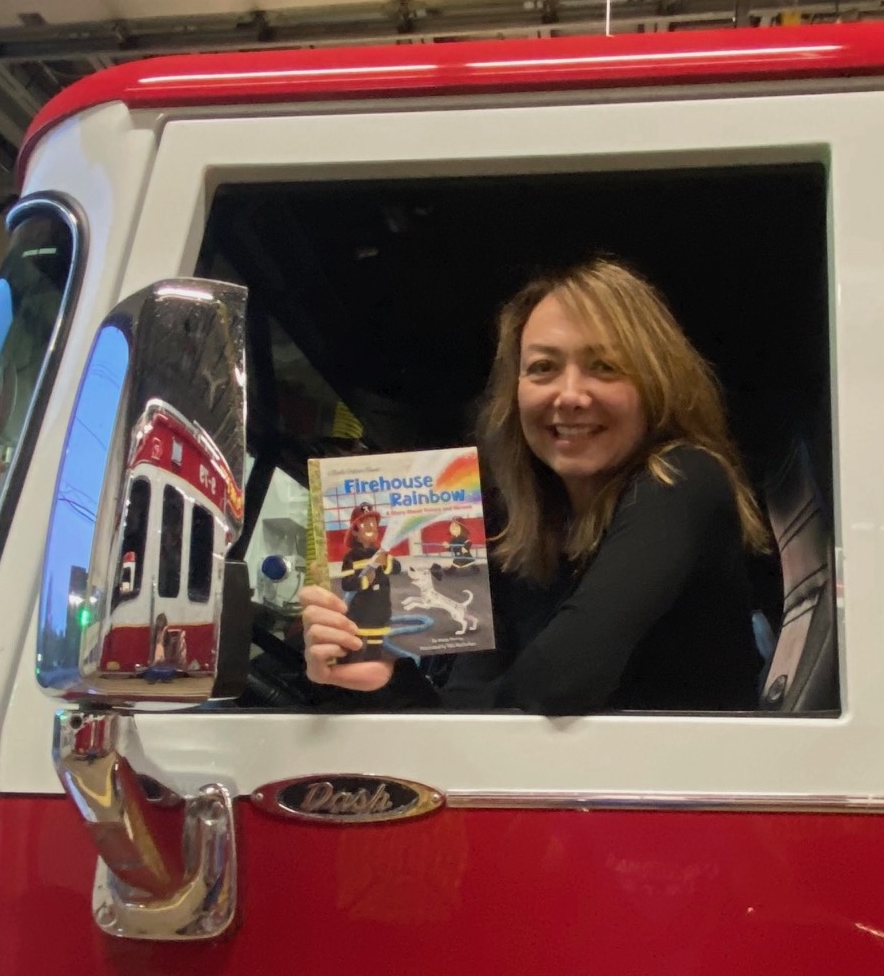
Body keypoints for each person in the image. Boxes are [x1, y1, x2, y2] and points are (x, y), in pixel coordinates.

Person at [299, 257, 770, 714]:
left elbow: (558, 686)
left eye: (604, 366)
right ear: (516, 390)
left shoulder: (683, 478)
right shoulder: (525, 523)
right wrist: (386, 680)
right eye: (543, 367)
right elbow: (474, 710)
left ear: (655, 383)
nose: (569, 395)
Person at [338, 502, 402, 661]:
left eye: (373, 524)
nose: (371, 527)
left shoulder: (380, 553)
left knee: (375, 650)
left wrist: (386, 561)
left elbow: (397, 568)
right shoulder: (351, 557)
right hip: (360, 611)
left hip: (380, 610)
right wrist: (364, 581)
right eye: (366, 524)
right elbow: (346, 584)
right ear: (355, 531)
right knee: (353, 646)